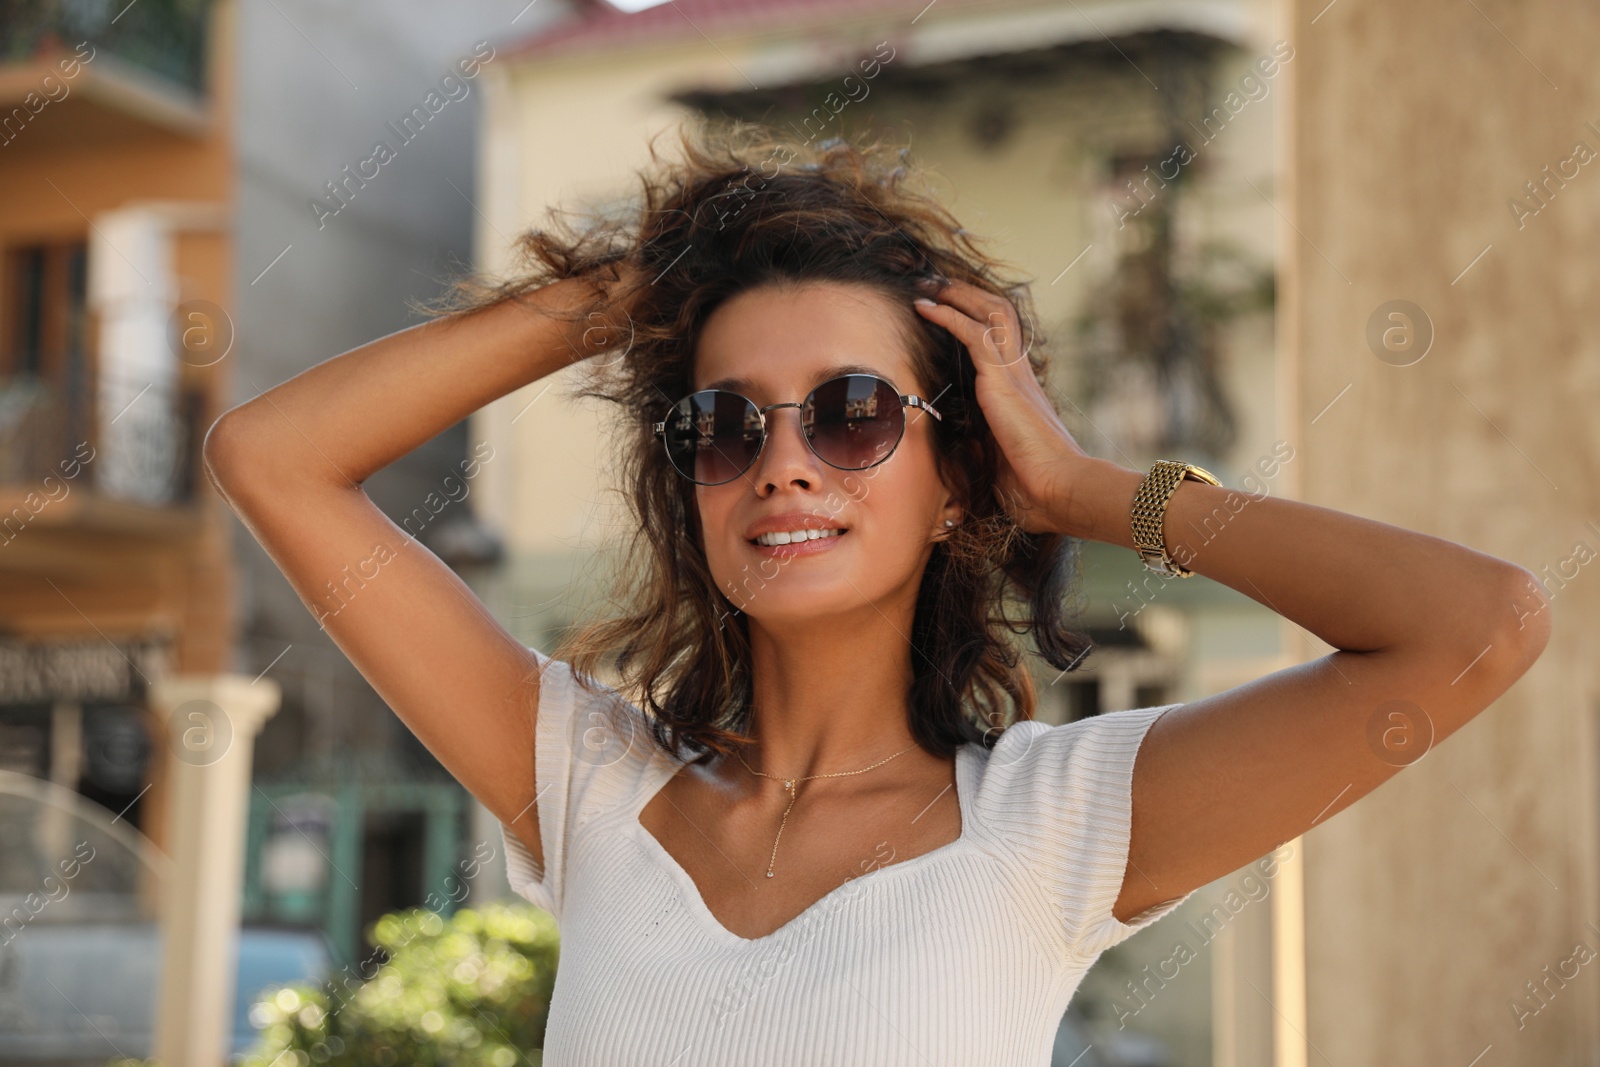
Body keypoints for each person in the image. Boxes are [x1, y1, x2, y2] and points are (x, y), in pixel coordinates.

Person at [203, 120, 1550, 1065]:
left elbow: (1478, 627)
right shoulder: (582, 784)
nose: (783, 465)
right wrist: (644, 291)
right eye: (728, 425)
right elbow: (273, 459)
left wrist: (1084, 491)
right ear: (695, 488)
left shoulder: (1058, 825)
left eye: (851, 415)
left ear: (956, 481)